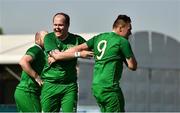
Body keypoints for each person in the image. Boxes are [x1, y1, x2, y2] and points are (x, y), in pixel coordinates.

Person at [49, 14, 137, 112]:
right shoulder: (122, 41)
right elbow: (132, 66)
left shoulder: (99, 37)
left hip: (97, 88)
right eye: (129, 29)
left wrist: (58, 56)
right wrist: (124, 56)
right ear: (120, 28)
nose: (130, 33)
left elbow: (78, 48)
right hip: (110, 88)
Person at [41, 12, 92, 112]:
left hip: (69, 86)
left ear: (68, 25)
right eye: (55, 25)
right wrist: (78, 54)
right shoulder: (49, 38)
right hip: (50, 84)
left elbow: (91, 50)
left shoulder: (77, 40)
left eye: (60, 25)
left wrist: (60, 56)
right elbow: (57, 55)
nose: (57, 27)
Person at [14, 30, 48, 112]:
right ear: (37, 40)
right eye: (45, 38)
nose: (48, 40)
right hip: (28, 92)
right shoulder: (36, 49)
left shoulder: (43, 52)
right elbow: (23, 61)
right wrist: (37, 77)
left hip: (24, 92)